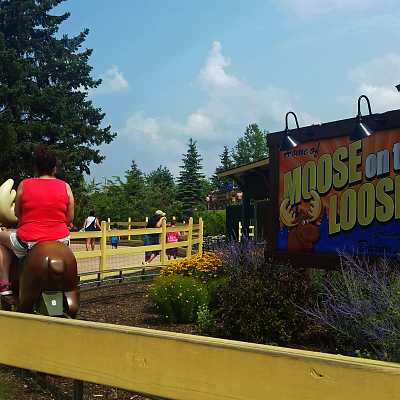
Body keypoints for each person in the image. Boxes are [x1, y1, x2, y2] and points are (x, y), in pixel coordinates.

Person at [0, 145, 74, 295]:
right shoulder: (65, 187)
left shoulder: (24, 185)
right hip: (61, 240)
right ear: (54, 168)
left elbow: (18, 214)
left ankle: (4, 283)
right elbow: (70, 218)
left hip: (29, 239)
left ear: (35, 168)